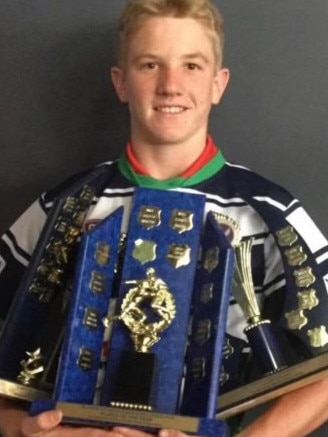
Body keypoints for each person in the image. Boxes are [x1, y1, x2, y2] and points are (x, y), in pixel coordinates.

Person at [1, 0, 328, 436]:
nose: (171, 85)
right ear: (121, 82)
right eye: (150, 64)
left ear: (218, 83)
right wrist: (22, 430)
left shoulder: (268, 212)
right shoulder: (63, 207)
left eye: (192, 66)